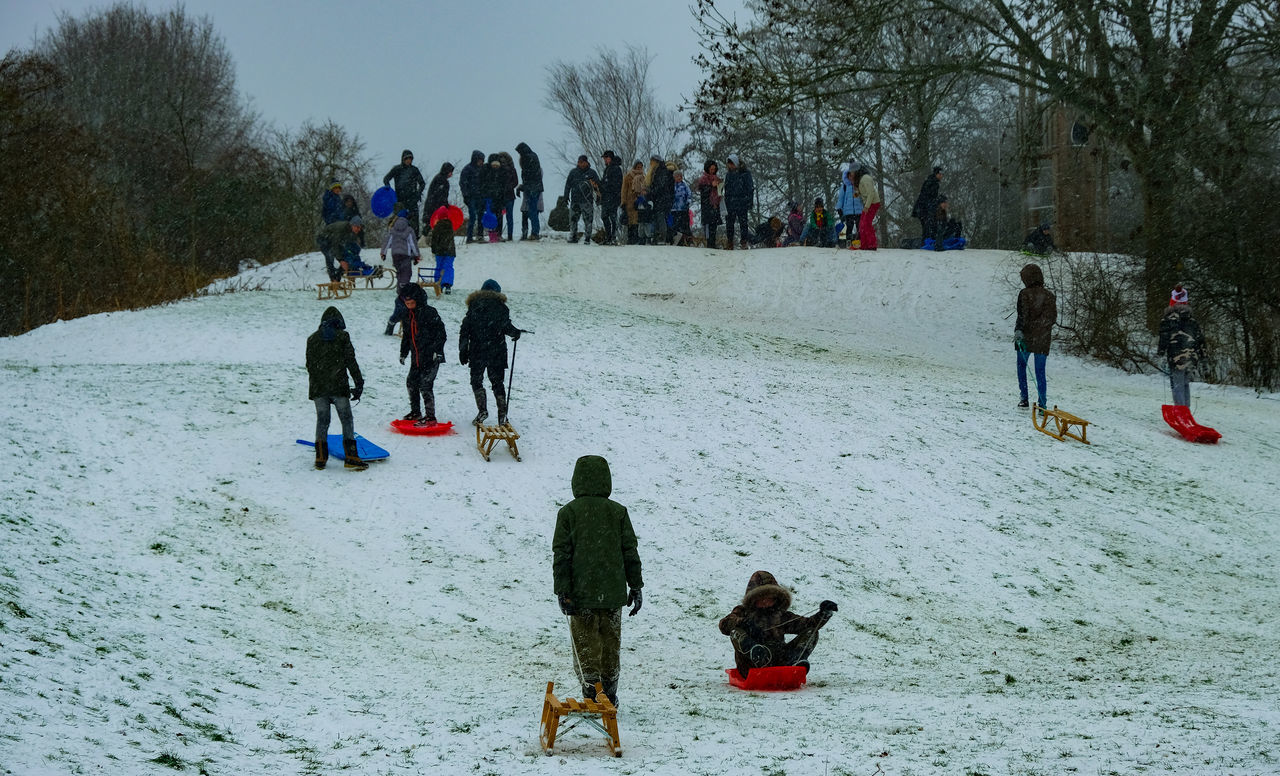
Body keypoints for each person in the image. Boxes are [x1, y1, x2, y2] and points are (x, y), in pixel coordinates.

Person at [552, 454, 644, 706]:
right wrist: (635, 585)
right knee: (610, 644)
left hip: (580, 595)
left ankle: (591, 691)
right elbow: (630, 551)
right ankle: (610, 693)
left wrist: (562, 590)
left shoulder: (568, 513)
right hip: (613, 593)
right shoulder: (618, 512)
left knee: (585, 646)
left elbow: (561, 555)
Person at [718, 571, 836, 678]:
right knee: (735, 632)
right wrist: (743, 623)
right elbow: (724, 624)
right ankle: (757, 654)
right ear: (753, 599)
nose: (765, 601)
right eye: (761, 598)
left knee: (811, 632)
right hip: (750, 665)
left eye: (769, 597)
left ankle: (795, 660)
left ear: (776, 598)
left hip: (779, 659)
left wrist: (823, 614)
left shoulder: (780, 615)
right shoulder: (743, 612)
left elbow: (807, 625)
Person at [306, 306, 366, 471]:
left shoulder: (312, 339)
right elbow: (351, 362)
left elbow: (309, 365)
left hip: (318, 387)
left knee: (323, 420)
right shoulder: (343, 337)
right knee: (346, 419)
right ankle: (351, 456)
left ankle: (320, 458)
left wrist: (320, 380)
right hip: (338, 385)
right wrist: (359, 383)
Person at [459, 278, 521, 426]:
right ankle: (502, 416)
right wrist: (515, 333)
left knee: (476, 381)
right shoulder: (500, 308)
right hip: (496, 351)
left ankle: (482, 410)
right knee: (497, 383)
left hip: (477, 351)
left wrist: (463, 349)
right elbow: (506, 326)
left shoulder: (474, 307)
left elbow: (465, 330)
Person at [398, 282, 447, 425]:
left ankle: (430, 417)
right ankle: (416, 412)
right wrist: (403, 353)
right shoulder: (407, 316)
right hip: (416, 357)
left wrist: (438, 351)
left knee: (425, 385)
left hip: (431, 356)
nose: (408, 305)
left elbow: (441, 334)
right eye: (406, 302)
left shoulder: (430, 313)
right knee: (411, 383)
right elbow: (407, 336)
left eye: (411, 302)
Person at [1014, 262, 1057, 408]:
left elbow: (1022, 316)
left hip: (1026, 337)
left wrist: (1020, 330)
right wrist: (1040, 329)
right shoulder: (1050, 296)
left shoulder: (1024, 294)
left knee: (1021, 366)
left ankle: (1024, 398)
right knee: (1040, 372)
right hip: (1043, 339)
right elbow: (1051, 319)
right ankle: (1042, 403)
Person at [1157, 285, 1206, 407]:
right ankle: (1186, 411)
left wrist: (1161, 354)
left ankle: (1181, 412)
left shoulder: (1168, 320)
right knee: (1185, 383)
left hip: (1176, 357)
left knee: (1177, 383)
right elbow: (1200, 339)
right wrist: (1203, 356)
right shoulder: (1192, 320)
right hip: (1191, 357)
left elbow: (1164, 338)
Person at [381, 209, 421, 335]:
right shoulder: (409, 230)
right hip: (405, 255)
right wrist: (416, 255)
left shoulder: (392, 229)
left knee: (399, 274)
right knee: (406, 274)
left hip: (395, 255)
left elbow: (387, 241)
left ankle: (401, 290)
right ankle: (403, 294)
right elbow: (413, 243)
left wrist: (383, 252)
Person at [382, 150, 426, 236]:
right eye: (407, 158)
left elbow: (422, 183)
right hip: (400, 201)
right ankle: (398, 241)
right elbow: (386, 179)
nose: (408, 160)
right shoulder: (397, 169)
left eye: (410, 158)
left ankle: (414, 241)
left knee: (414, 224)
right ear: (403, 159)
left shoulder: (414, 170)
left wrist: (418, 193)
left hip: (412, 200)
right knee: (399, 222)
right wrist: (388, 189)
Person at [563, 155, 600, 244]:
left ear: (586, 162)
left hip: (587, 201)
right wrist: (566, 196)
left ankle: (587, 238)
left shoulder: (592, 173)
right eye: (579, 162)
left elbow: (597, 186)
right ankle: (573, 236)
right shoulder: (573, 172)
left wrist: (599, 197)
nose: (580, 164)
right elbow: (568, 185)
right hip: (575, 200)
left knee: (588, 220)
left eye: (582, 162)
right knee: (573, 219)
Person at [723, 153, 754, 249]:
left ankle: (744, 242)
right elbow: (727, 189)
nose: (730, 166)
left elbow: (750, 188)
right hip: (731, 202)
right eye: (729, 164)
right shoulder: (728, 174)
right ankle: (730, 242)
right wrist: (726, 201)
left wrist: (749, 201)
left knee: (743, 223)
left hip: (742, 201)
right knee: (729, 223)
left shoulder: (745, 173)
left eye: (731, 164)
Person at [515, 142, 543, 240]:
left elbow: (528, 176)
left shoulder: (527, 158)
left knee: (532, 211)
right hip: (534, 187)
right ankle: (535, 232)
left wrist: (523, 187)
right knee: (532, 211)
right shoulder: (533, 156)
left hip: (532, 188)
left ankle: (535, 233)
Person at [912, 166, 944, 249]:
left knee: (927, 226)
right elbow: (928, 197)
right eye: (940, 174)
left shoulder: (930, 181)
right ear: (936, 174)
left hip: (922, 208)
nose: (941, 176)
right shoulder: (933, 183)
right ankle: (925, 243)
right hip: (923, 208)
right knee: (927, 226)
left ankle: (926, 242)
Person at [429, 205, 458, 294]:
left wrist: (434, 250)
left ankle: (439, 285)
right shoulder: (450, 226)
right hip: (450, 251)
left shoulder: (437, 227)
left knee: (439, 267)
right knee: (448, 266)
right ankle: (448, 285)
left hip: (439, 251)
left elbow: (434, 241)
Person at [459, 150, 486, 243]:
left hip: (481, 196)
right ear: (475, 159)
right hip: (471, 197)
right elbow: (463, 183)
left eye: (482, 160)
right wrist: (466, 195)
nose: (481, 162)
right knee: (473, 216)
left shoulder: (482, 169)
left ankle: (480, 235)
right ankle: (469, 237)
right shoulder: (467, 169)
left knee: (481, 216)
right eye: (480, 160)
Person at [647, 157, 675, 244]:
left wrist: (652, 192)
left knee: (660, 218)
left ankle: (662, 238)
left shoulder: (662, 172)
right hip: (659, 199)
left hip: (661, 199)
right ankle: (656, 237)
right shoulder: (658, 171)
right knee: (657, 218)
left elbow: (661, 186)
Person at [479, 153, 507, 241]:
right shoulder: (485, 170)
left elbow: (503, 185)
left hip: (498, 197)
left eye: (497, 165)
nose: (495, 166)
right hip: (488, 197)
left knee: (499, 215)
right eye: (494, 165)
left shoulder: (502, 172)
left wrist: (502, 197)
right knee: (486, 215)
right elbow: (482, 183)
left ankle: (498, 234)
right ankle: (481, 234)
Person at [697, 160, 723, 248]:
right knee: (708, 226)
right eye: (711, 169)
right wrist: (711, 185)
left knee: (714, 226)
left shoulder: (716, 178)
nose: (712, 171)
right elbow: (703, 192)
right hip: (707, 206)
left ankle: (713, 243)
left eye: (714, 169)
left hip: (715, 205)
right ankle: (709, 244)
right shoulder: (703, 179)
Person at [854, 165, 881, 250]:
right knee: (862, 224)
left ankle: (871, 244)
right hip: (869, 204)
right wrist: (857, 193)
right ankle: (864, 244)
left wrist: (866, 206)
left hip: (872, 203)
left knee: (866, 223)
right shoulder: (861, 180)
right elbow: (865, 191)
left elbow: (871, 193)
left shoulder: (865, 178)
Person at [600, 150, 624, 245]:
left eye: (605, 158)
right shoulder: (607, 169)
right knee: (604, 216)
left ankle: (613, 237)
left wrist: (606, 186)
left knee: (613, 217)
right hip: (606, 197)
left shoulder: (616, 169)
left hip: (613, 197)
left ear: (609, 158)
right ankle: (608, 237)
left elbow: (617, 184)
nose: (604, 160)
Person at [835, 168, 862, 247]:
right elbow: (841, 198)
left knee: (859, 228)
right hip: (848, 211)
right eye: (850, 175)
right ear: (847, 176)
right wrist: (839, 209)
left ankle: (859, 242)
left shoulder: (858, 185)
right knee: (848, 227)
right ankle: (848, 242)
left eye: (853, 175)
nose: (851, 177)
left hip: (858, 210)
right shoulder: (845, 186)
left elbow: (861, 197)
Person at [622, 161, 647, 245]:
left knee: (638, 221)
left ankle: (637, 238)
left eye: (641, 167)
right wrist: (623, 201)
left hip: (639, 201)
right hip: (630, 201)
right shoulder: (628, 176)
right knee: (630, 221)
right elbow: (624, 190)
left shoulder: (644, 177)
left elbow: (646, 188)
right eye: (638, 167)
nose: (639, 169)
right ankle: (630, 239)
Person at [498, 151, 519, 241]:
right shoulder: (512, 169)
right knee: (508, 216)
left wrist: (505, 187)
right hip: (509, 196)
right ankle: (508, 235)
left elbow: (515, 182)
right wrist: (509, 187)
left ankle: (500, 234)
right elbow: (515, 182)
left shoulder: (501, 170)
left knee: (502, 215)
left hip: (504, 196)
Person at [670, 169, 693, 245]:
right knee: (676, 225)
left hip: (683, 208)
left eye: (680, 176)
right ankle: (677, 240)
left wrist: (688, 201)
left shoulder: (684, 185)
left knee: (684, 225)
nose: (678, 178)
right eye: (677, 176)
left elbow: (689, 194)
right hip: (674, 209)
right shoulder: (672, 185)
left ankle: (687, 240)